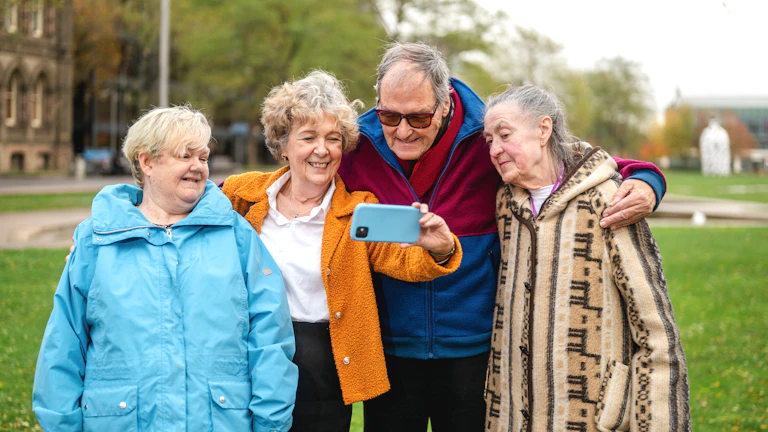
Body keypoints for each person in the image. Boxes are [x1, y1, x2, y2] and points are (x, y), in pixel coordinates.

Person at [337, 42, 668, 431]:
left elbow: (578, 161)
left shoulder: (488, 136)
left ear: (444, 105)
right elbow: (304, 171)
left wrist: (647, 179)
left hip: (475, 352)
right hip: (389, 349)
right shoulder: (356, 142)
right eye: (390, 115)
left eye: (419, 118)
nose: (402, 130)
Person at [220, 70, 463, 432]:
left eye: (333, 138)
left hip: (324, 369)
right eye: (308, 137)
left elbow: (400, 259)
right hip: (251, 357)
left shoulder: (357, 210)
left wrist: (440, 250)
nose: (323, 150)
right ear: (283, 144)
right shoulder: (243, 195)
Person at [33, 106, 298, 432]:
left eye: (203, 157)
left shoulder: (236, 236)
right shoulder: (96, 241)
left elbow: (271, 339)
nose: (198, 167)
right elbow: (63, 345)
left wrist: (270, 424)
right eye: (185, 155)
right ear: (146, 162)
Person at [483, 85, 690, 431]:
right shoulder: (505, 204)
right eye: (489, 140)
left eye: (504, 135)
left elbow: (656, 333)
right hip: (511, 417)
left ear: (544, 130)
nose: (494, 149)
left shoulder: (610, 199)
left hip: (594, 419)